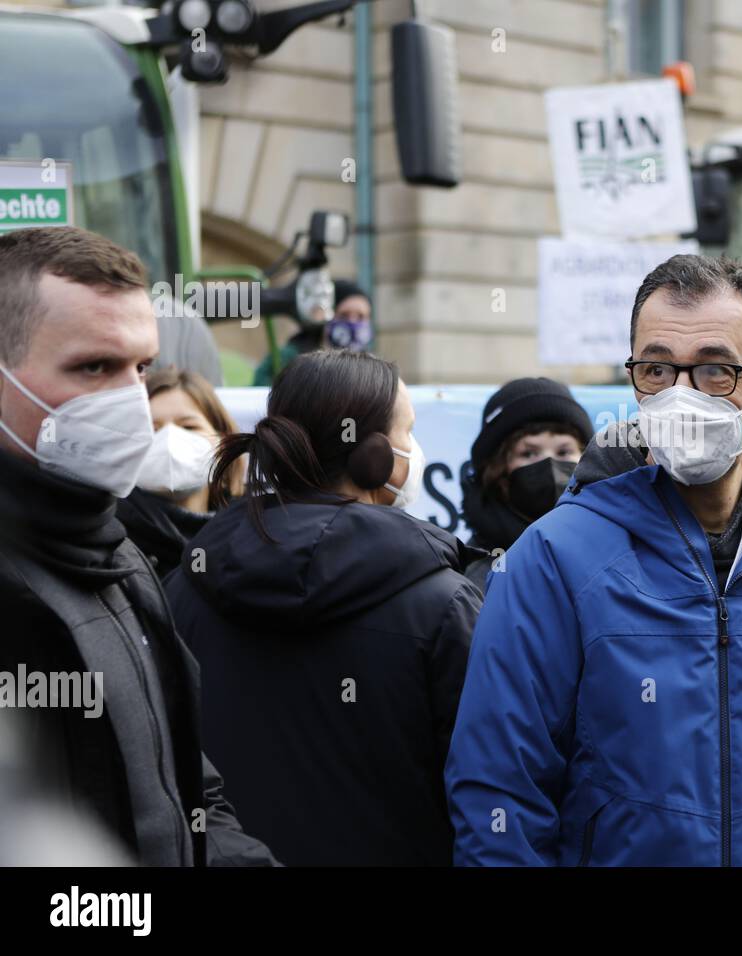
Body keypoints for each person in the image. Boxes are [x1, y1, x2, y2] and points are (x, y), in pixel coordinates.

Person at [446, 254, 742, 866]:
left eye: (716, 371)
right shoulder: (553, 560)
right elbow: (499, 798)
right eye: (658, 369)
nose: (682, 396)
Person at [0, 225, 274, 865]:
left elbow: (186, 794)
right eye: (94, 366)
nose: (130, 399)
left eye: (141, 366)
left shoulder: (122, 556)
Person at [165, 349, 481, 865]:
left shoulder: (183, 588)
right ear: (374, 458)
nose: (414, 448)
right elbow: (488, 793)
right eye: (408, 431)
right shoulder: (445, 604)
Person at [460, 377, 594, 592]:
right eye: (529, 453)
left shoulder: (615, 552)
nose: (549, 464)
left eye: (564, 451)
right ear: (497, 468)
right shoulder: (474, 581)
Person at [116, 365, 241, 577]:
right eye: (152, 430)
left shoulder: (253, 532)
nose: (169, 440)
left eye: (189, 427)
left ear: (223, 441)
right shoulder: (113, 540)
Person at [253, 278, 373, 386]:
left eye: (361, 317)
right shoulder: (286, 359)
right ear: (326, 315)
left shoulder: (371, 370)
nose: (352, 322)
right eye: (343, 315)